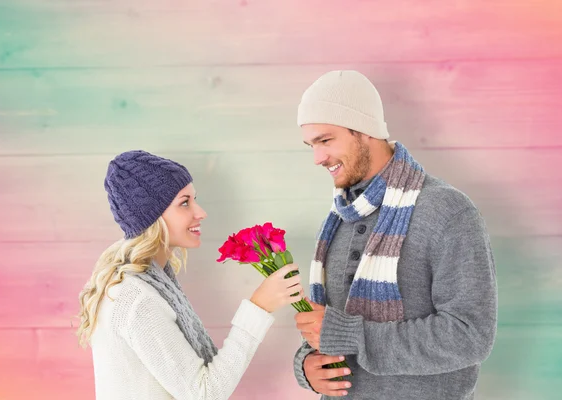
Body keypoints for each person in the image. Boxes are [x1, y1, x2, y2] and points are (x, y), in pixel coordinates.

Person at [291, 70, 498, 399]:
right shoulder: (340, 217)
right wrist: (307, 366)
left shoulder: (446, 211)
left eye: (325, 140)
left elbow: (469, 335)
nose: (317, 158)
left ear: (364, 131)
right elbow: (326, 330)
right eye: (311, 145)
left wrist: (349, 334)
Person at [76, 150, 304, 400]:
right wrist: (259, 307)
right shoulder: (136, 299)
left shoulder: (151, 283)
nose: (201, 212)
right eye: (185, 203)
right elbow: (204, 393)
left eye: (194, 200)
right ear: (152, 216)